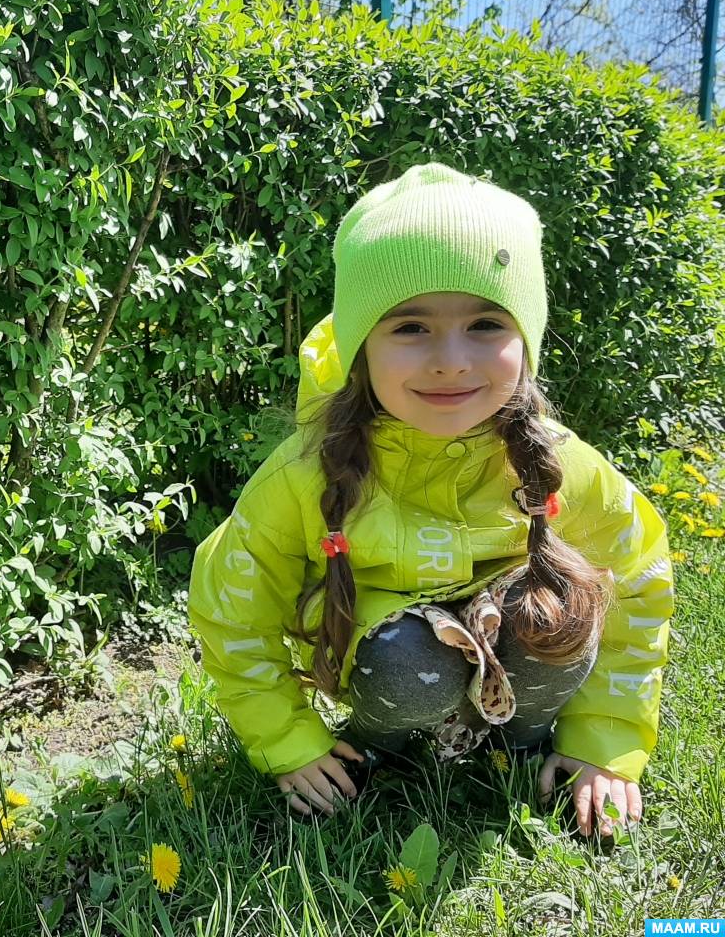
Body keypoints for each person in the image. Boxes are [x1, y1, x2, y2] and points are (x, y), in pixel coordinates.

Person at [187, 161, 674, 839]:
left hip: (516, 651)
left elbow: (640, 582)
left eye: (484, 324)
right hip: (396, 670)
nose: (450, 359)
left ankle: (522, 742)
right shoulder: (304, 475)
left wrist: (605, 743)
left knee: (561, 612)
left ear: (525, 341)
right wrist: (288, 739)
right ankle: (376, 748)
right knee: (408, 659)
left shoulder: (566, 466)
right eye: (410, 327)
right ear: (360, 349)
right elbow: (231, 605)